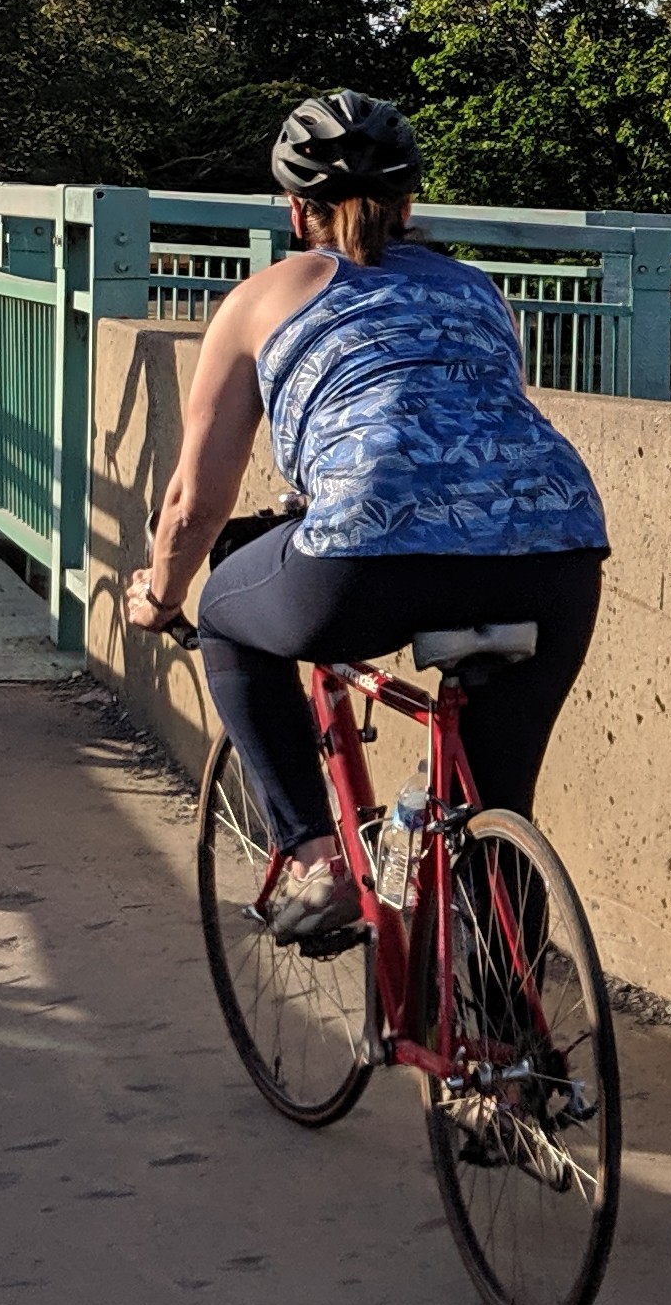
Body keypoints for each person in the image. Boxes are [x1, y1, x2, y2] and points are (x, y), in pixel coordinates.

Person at [122, 92, 610, 945]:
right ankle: (516, 1064)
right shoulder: (476, 289)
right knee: (498, 808)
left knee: (227, 619)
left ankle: (316, 858)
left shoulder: (261, 297)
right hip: (559, 545)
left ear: (294, 208)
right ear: (410, 201)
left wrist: (159, 597)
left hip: (369, 552)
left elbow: (195, 501)